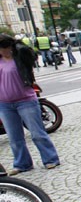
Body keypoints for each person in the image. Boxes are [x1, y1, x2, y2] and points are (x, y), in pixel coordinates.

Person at [0, 34, 60, 175]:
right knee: (14, 137)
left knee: (37, 133)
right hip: (4, 104)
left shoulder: (20, 58)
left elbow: (32, 56)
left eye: (3, 48)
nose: (2, 51)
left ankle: (50, 159)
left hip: (25, 100)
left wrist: (19, 45)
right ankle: (22, 164)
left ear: (9, 47)